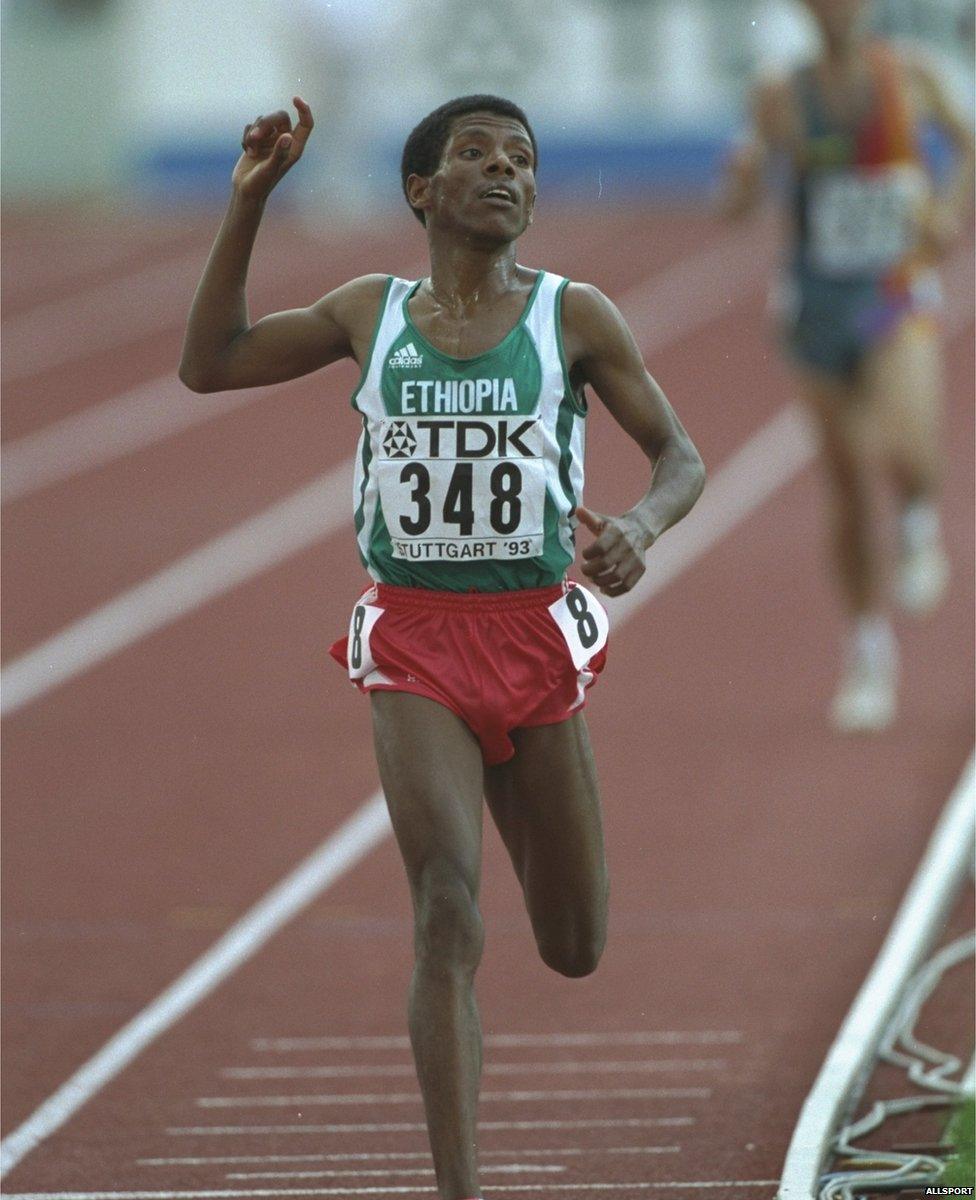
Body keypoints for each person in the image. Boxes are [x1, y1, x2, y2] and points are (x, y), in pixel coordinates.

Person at [180, 93, 705, 1200]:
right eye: (476, 155)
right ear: (422, 189)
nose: (505, 171)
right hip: (415, 637)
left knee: (574, 944)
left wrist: (643, 531)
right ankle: (459, 1188)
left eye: (523, 158)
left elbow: (680, 458)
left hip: (534, 639)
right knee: (448, 908)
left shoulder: (575, 316)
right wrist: (249, 203)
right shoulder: (370, 313)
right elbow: (210, 362)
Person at [722, 0, 973, 732]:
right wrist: (740, 176)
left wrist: (947, 210)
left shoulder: (912, 78)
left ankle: (920, 517)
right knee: (846, 486)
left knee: (906, 443)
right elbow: (738, 203)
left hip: (890, 295)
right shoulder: (780, 95)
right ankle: (867, 650)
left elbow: (969, 144)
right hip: (814, 308)